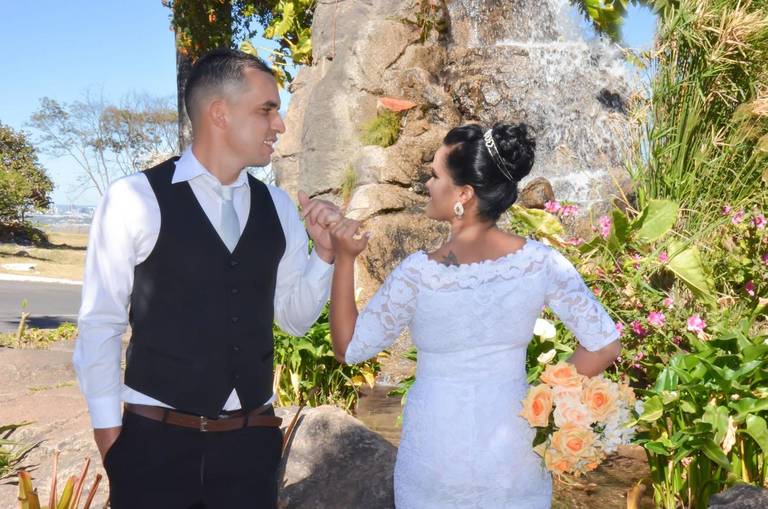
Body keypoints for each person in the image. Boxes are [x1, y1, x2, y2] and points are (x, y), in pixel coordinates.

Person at [73, 48, 341, 508]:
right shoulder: (134, 198)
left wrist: (325, 253)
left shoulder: (278, 207)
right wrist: (111, 440)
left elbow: (294, 320)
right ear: (220, 113)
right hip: (154, 447)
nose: (279, 125)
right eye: (267, 110)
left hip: (249, 449)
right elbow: (100, 321)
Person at [328, 123, 622, 508]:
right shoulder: (541, 262)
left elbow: (348, 348)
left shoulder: (419, 274)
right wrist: (543, 399)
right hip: (513, 450)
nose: (427, 184)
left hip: (435, 458)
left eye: (435, 175)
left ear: (463, 194)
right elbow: (604, 345)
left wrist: (344, 258)